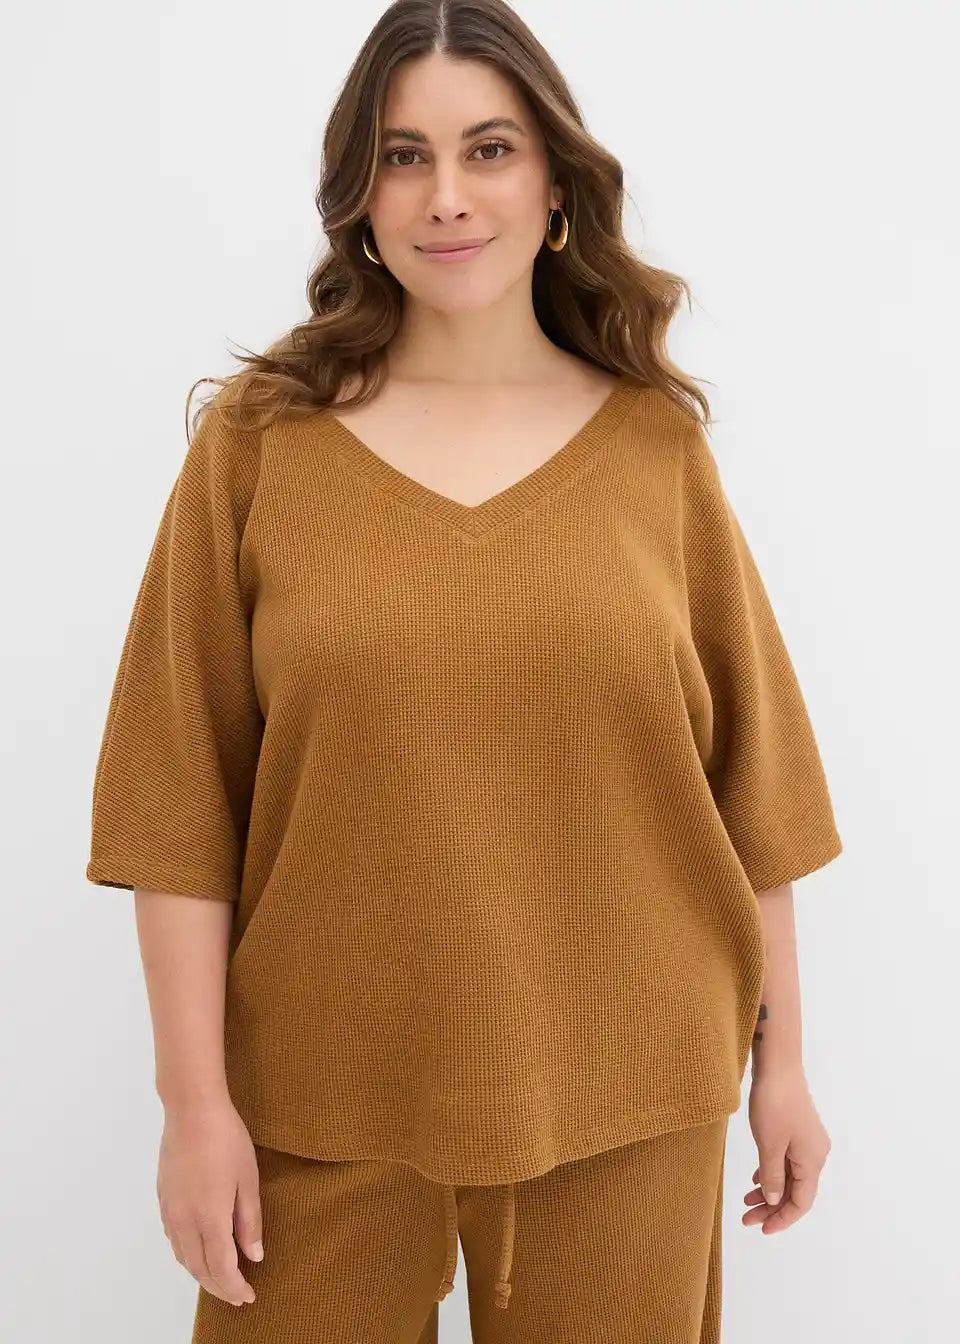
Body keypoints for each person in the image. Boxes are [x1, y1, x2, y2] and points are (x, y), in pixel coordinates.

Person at [85, 2, 843, 1340]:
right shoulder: (257, 448)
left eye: (488, 149)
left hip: (630, 1089)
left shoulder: (655, 449)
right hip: (316, 1100)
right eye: (402, 156)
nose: (446, 195)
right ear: (357, 196)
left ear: (554, 184)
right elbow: (176, 809)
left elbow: (753, 794)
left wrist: (785, 1068)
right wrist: (193, 1110)